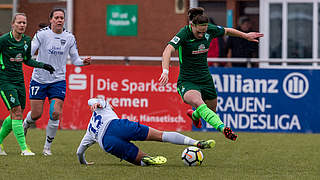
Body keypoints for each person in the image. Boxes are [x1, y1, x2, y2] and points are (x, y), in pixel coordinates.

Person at [159, 7, 263, 141]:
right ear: (192, 25)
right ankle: (223, 128)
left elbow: (227, 31)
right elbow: (167, 50)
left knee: (211, 110)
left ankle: (195, 115)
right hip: (187, 80)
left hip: (205, 79)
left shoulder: (208, 29)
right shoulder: (184, 34)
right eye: (199, 32)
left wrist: (245, 35)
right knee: (199, 103)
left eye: (204, 32)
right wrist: (165, 71)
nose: (202, 35)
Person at [23, 8, 91, 156]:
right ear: (51, 20)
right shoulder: (42, 35)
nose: (60, 20)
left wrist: (83, 62)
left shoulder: (69, 38)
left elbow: (75, 60)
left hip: (57, 80)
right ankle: (25, 125)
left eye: (62, 18)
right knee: (36, 114)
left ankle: (47, 147)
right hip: (39, 79)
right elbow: (29, 53)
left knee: (55, 113)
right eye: (57, 17)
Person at [76, 97, 216, 166]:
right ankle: (196, 142)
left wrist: (84, 163)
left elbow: (79, 152)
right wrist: (97, 103)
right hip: (117, 126)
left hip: (106, 142)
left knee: (139, 159)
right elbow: (92, 100)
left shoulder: (89, 131)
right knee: (161, 135)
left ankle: (147, 159)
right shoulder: (105, 106)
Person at [0, 13, 55, 156]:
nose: (22, 25)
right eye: (19, 22)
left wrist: (43, 65)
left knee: (16, 114)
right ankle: (24, 149)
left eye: (24, 22)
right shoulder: (4, 40)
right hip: (5, 81)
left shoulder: (26, 40)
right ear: (13, 24)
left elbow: (27, 60)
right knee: (17, 112)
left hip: (19, 81)